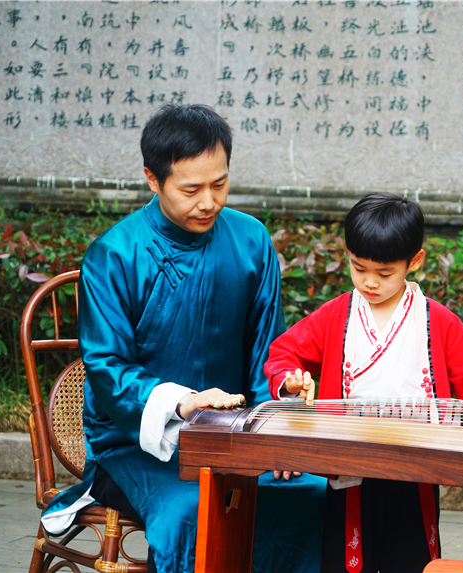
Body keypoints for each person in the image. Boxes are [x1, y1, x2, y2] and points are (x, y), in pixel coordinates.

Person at [40, 104, 324, 573]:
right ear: (153, 179)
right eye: (191, 189)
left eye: (220, 184)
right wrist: (180, 403)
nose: (209, 202)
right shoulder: (114, 255)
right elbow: (107, 369)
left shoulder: (251, 239)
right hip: (138, 443)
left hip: (238, 436)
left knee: (312, 493)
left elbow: (265, 351)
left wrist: (276, 429)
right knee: (190, 513)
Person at [264, 192, 463, 573]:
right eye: (357, 267)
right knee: (347, 559)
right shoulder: (336, 315)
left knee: (413, 559)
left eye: (384, 273)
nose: (369, 282)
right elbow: (284, 354)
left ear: (414, 261)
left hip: (416, 463)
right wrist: (290, 381)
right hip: (349, 459)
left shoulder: (436, 319)